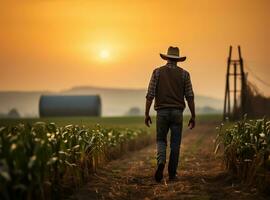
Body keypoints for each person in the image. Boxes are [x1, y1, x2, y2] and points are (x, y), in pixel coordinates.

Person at [145, 46, 195, 182]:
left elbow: (150, 95)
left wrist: (146, 114)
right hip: (177, 113)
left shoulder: (157, 72)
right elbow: (190, 96)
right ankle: (172, 173)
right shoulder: (185, 74)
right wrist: (193, 116)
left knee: (161, 140)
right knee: (175, 144)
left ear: (167, 58)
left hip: (161, 112)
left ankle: (161, 162)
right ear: (178, 60)